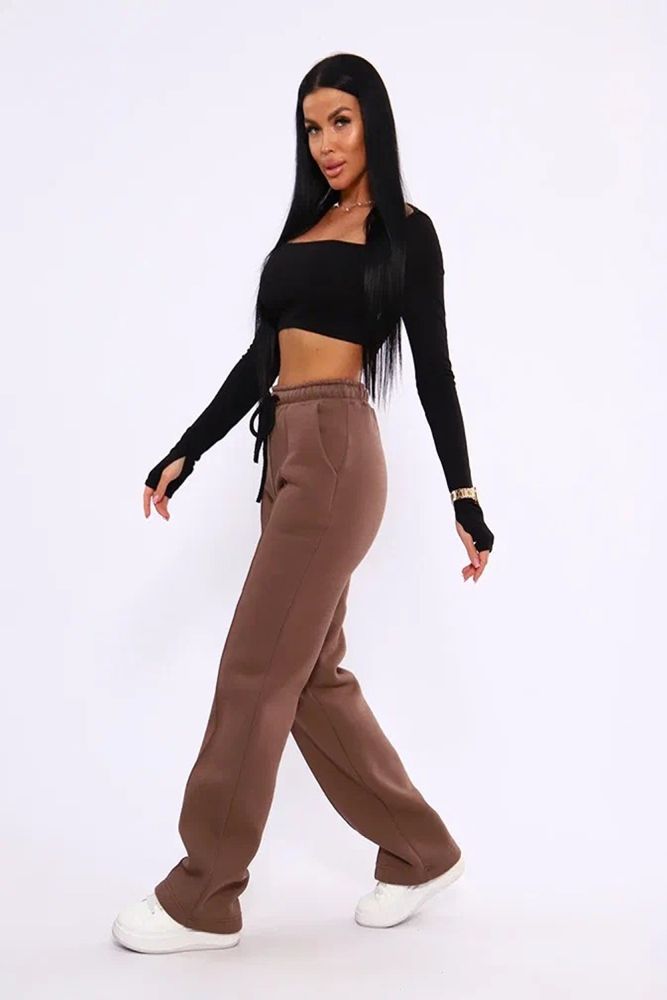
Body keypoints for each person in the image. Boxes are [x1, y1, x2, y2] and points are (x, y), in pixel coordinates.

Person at [112, 52, 494, 955]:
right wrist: (187, 449)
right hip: (283, 449)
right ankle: (420, 851)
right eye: (312, 126)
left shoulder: (405, 232)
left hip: (335, 456)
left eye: (341, 122)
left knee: (254, 668)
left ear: (374, 125)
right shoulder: (306, 227)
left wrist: (464, 494)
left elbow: (433, 369)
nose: (325, 142)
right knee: (310, 678)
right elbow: (263, 357)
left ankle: (204, 895)